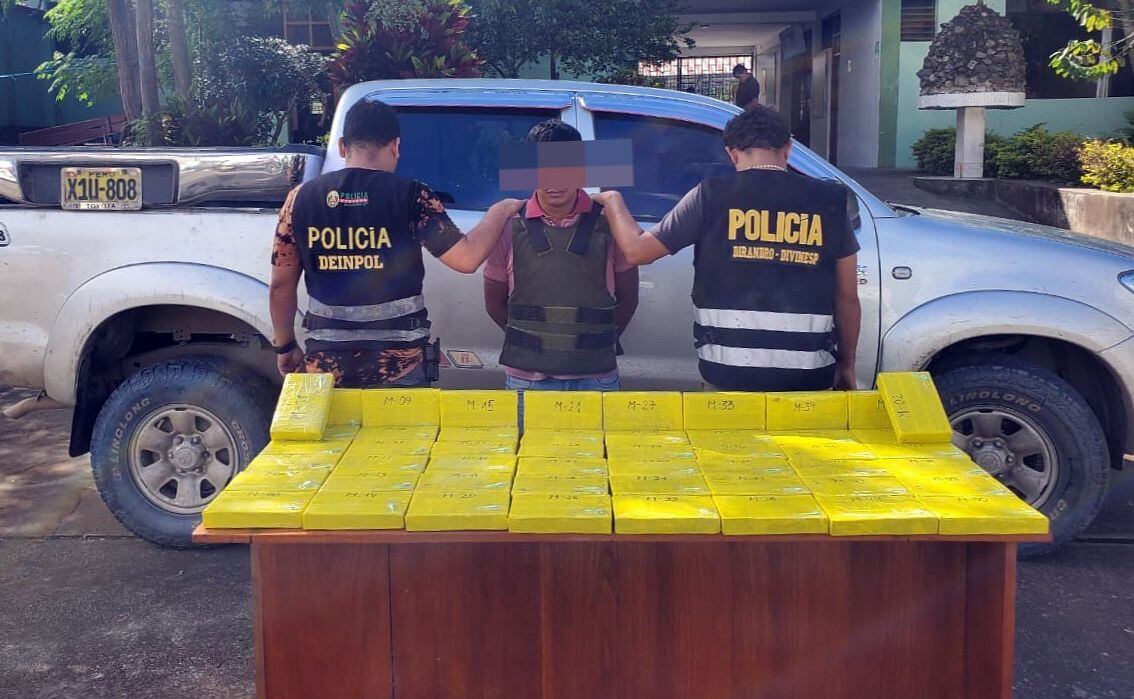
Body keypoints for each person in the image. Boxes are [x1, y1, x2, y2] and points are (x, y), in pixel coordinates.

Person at [594, 105, 861, 392]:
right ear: (788, 149)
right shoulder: (830, 200)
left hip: (727, 375)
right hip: (808, 378)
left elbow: (636, 251)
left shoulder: (709, 195)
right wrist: (847, 364)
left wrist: (613, 201)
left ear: (732, 154)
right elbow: (847, 297)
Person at [270, 99, 522, 388]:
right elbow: (466, 259)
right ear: (395, 146)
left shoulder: (299, 199)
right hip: (400, 365)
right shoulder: (413, 197)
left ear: (341, 146)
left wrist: (284, 346)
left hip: (326, 366)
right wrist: (500, 210)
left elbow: (280, 284)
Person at [483, 119, 639, 392]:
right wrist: (534, 347)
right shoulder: (507, 226)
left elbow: (629, 299)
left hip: (596, 377)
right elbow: (494, 303)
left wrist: (594, 344)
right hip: (527, 379)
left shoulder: (611, 225)